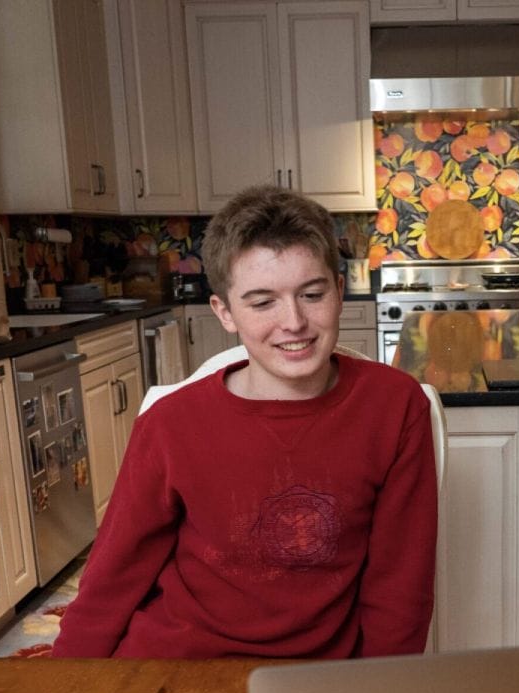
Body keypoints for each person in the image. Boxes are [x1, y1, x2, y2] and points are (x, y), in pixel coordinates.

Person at [52, 185, 437, 659]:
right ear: (225, 312)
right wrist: (64, 687)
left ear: (340, 292)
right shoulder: (170, 424)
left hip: (313, 681)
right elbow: (113, 576)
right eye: (262, 302)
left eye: (312, 294)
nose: (293, 322)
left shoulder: (395, 406)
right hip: (176, 667)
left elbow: (400, 586)